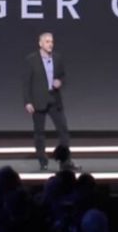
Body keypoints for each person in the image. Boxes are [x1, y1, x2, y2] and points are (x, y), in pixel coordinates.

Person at [23, 32, 78, 171]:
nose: (50, 44)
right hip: (38, 101)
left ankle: (65, 161)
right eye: (47, 41)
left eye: (52, 41)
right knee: (39, 133)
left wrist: (60, 81)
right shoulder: (31, 60)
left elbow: (62, 76)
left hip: (54, 100)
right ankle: (43, 161)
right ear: (40, 43)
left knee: (63, 131)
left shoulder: (57, 58)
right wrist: (28, 102)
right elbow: (26, 83)